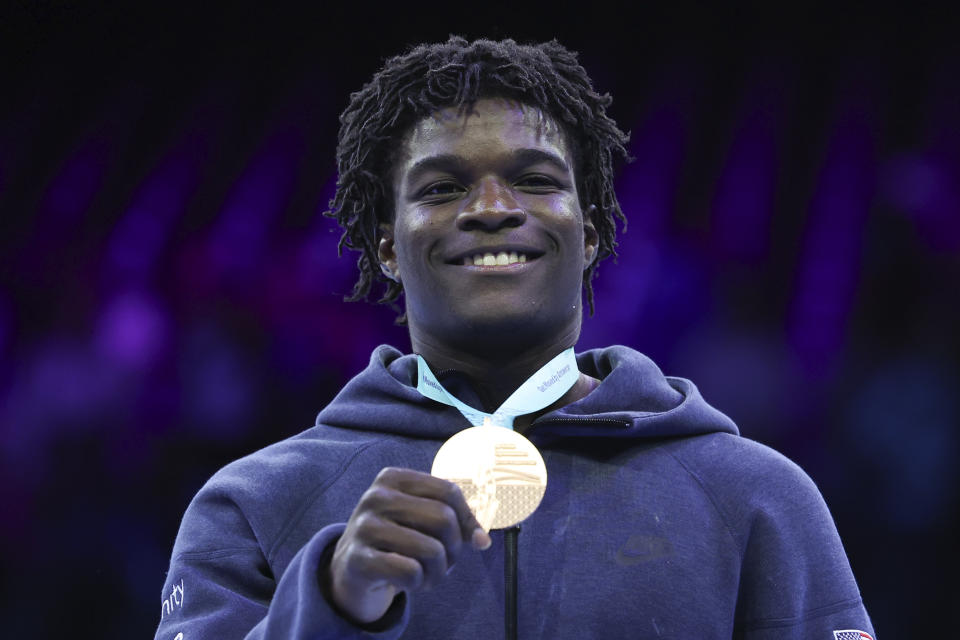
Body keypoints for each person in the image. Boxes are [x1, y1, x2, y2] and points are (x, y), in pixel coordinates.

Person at [154, 37, 875, 639]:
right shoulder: (252, 504)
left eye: (533, 180)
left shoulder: (755, 497)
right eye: (441, 189)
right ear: (385, 248)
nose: (494, 208)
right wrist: (334, 602)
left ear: (588, 234)